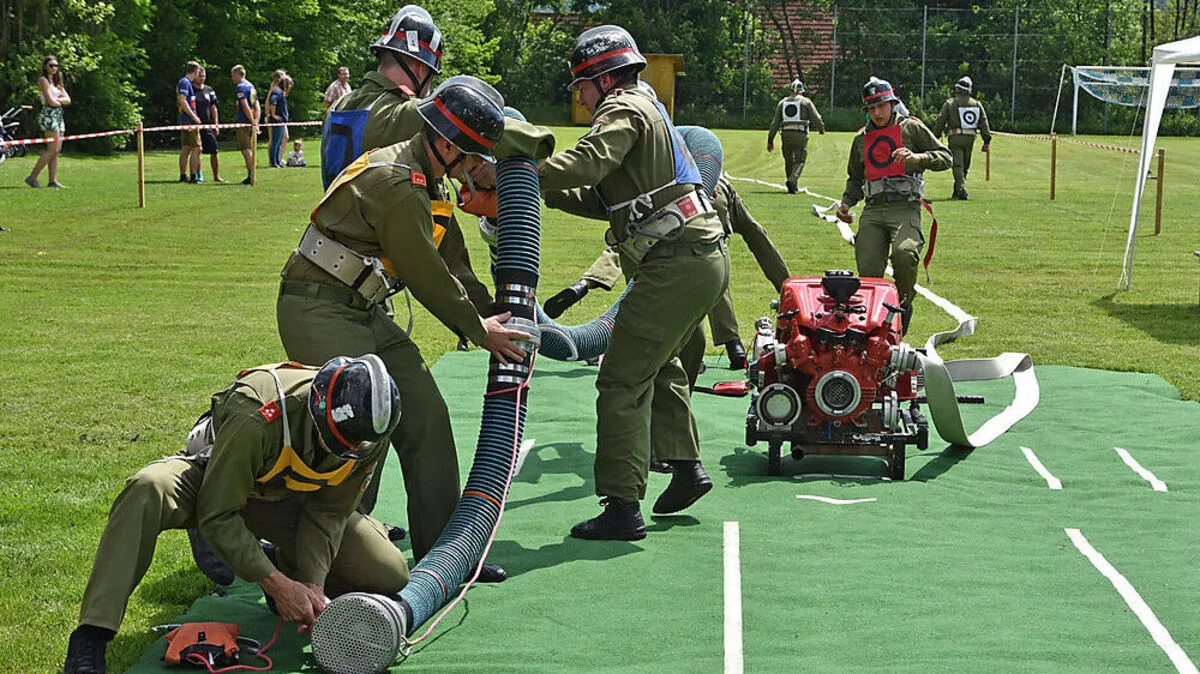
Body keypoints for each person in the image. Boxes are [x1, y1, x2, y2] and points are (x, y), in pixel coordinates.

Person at [276, 75, 527, 582]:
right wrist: (482, 331)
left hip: (363, 311)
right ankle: (311, 556)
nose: (479, 169)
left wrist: (501, 313)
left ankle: (447, 553)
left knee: (427, 417)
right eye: (475, 156)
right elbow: (426, 275)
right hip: (318, 309)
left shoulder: (427, 179)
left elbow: (454, 262)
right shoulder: (398, 181)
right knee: (359, 426)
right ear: (447, 145)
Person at [60, 356, 411, 674]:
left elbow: (329, 514)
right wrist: (271, 581)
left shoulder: (369, 435)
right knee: (147, 488)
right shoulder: (258, 412)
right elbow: (217, 511)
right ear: (320, 407)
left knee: (388, 572)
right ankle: (91, 636)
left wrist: (311, 585)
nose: (343, 451)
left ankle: (273, 560)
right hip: (216, 481)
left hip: (285, 497)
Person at [522, 26, 728, 540]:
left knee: (619, 378)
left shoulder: (623, 108)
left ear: (602, 77)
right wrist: (544, 192)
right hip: (697, 258)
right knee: (660, 365)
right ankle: (685, 466)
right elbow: (604, 199)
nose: (580, 97)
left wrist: (521, 172)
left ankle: (622, 508)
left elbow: (589, 161)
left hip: (674, 261)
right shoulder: (648, 107)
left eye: (580, 86)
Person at [322, 5, 493, 318]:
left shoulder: (343, 105)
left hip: (338, 258)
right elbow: (444, 238)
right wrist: (485, 312)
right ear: (418, 65)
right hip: (358, 277)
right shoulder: (399, 114)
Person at [547, 174, 789, 372]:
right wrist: (786, 286)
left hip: (666, 222)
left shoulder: (662, 174)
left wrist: (548, 188)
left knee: (632, 247)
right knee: (712, 261)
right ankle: (731, 343)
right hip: (709, 220)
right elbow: (756, 236)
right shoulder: (721, 183)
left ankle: (588, 287)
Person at [836, 78, 951, 334]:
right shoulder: (861, 139)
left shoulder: (911, 128)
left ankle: (904, 305)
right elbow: (855, 178)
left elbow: (946, 157)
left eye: (881, 106)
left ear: (892, 103)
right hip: (874, 209)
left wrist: (918, 157)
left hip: (905, 206)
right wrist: (845, 203)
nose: (877, 113)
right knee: (867, 272)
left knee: (905, 253)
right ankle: (874, 327)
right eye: (871, 108)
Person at [932, 76, 992, 200]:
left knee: (957, 165)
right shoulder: (976, 104)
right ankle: (957, 191)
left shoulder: (950, 103)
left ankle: (962, 189)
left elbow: (940, 121)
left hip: (955, 138)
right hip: (970, 138)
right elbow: (984, 121)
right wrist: (986, 140)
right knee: (965, 166)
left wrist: (936, 136)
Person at [767, 79, 825, 194]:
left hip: (785, 134)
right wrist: (821, 129)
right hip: (800, 134)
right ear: (802, 90)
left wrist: (770, 140)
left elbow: (775, 123)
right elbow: (816, 118)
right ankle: (792, 180)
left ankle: (791, 186)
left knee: (788, 160)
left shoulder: (782, 102)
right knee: (800, 160)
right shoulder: (806, 102)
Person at [26, 55, 70, 189]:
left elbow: (68, 99)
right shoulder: (43, 80)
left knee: (57, 150)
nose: (54, 68)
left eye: (56, 65)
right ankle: (32, 177)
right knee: (52, 149)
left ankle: (52, 180)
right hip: (49, 115)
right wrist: (58, 101)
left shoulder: (57, 82)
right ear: (45, 66)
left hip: (58, 115)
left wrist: (59, 101)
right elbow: (50, 101)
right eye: (51, 65)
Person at [194, 67, 226, 183]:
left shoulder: (209, 90)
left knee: (214, 150)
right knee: (197, 151)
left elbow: (214, 107)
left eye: (204, 76)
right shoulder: (191, 90)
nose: (202, 78)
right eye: (200, 76)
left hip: (208, 125)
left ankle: (216, 176)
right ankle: (199, 175)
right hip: (195, 125)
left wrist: (216, 123)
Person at [231, 65, 260, 185]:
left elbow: (245, 105)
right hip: (251, 122)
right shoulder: (251, 87)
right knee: (250, 149)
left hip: (244, 122)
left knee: (246, 149)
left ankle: (251, 175)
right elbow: (257, 106)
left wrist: (252, 121)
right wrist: (256, 122)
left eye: (233, 75)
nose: (232, 78)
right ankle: (252, 174)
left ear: (238, 74)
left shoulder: (240, 87)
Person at [177, 61, 204, 183]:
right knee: (197, 148)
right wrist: (194, 117)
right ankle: (193, 176)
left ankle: (183, 176)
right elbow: (182, 100)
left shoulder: (187, 83)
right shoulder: (185, 82)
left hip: (187, 120)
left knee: (186, 148)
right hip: (188, 121)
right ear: (195, 71)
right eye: (198, 71)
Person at [268, 75, 293, 168]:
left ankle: (278, 161)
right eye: (289, 84)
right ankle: (273, 162)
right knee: (275, 142)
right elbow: (272, 102)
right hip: (277, 122)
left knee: (279, 142)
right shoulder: (277, 91)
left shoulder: (281, 92)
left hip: (282, 121)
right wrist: (274, 115)